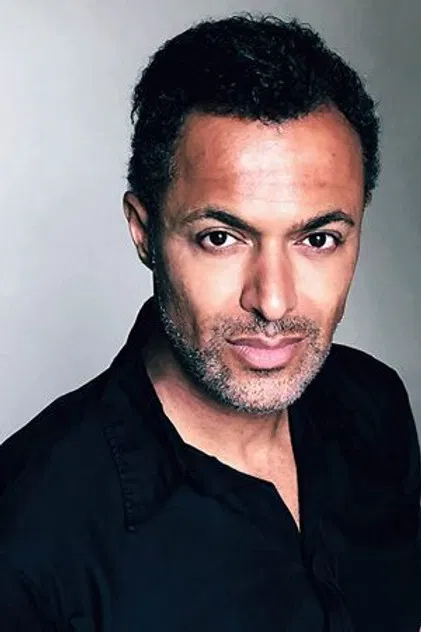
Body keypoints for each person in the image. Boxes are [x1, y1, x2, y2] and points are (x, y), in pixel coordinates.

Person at [0, 13, 419, 631]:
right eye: (221, 237)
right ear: (143, 232)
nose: (272, 302)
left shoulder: (375, 403)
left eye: (318, 239)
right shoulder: (26, 536)